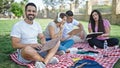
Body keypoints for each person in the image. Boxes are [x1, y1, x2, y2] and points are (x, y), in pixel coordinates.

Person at [10, 3, 60, 68]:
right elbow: (15, 45)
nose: (31, 13)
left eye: (33, 11)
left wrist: (44, 44)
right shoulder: (18, 26)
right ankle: (45, 60)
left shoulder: (37, 25)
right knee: (27, 49)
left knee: (57, 41)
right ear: (25, 12)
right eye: (29, 11)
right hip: (25, 52)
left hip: (37, 49)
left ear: (36, 13)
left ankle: (43, 62)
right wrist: (32, 45)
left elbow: (41, 37)